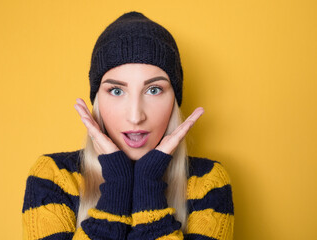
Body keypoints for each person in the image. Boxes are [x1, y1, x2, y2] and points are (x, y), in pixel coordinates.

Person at [22, 11, 234, 240]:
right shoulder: (54, 177)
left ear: (174, 100)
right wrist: (117, 184)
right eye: (116, 90)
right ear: (97, 102)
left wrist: (148, 182)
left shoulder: (208, 183)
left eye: (153, 90)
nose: (135, 116)